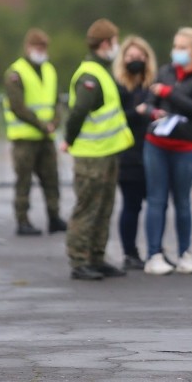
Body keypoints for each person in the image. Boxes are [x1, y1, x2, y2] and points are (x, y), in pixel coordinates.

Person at [62, 19, 134, 281]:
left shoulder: (101, 71)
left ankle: (96, 257)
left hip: (105, 154)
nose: (117, 46)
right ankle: (80, 260)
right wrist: (68, 139)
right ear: (106, 44)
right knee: (88, 208)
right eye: (115, 41)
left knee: (104, 207)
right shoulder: (91, 75)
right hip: (92, 156)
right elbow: (78, 111)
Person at [142, 27, 192, 276]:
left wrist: (169, 93)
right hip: (157, 144)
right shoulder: (165, 70)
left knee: (182, 202)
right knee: (156, 200)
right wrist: (154, 111)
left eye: (183, 47)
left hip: (185, 146)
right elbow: (151, 99)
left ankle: (185, 253)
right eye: (176, 45)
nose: (177, 51)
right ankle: (154, 254)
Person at [3, 28, 67, 236]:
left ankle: (54, 217)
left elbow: (57, 101)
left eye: (44, 47)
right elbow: (17, 106)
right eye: (37, 47)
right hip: (24, 138)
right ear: (28, 47)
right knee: (24, 181)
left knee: (52, 179)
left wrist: (55, 122)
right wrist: (42, 124)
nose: (41, 51)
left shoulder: (50, 70)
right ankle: (23, 220)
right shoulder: (16, 73)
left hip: (46, 137)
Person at [112, 35, 157, 270]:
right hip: (128, 154)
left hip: (154, 151)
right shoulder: (117, 86)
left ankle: (155, 250)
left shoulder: (153, 85)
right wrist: (137, 112)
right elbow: (115, 117)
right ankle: (130, 251)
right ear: (123, 59)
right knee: (132, 204)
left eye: (140, 57)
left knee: (157, 203)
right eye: (130, 57)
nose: (135, 61)